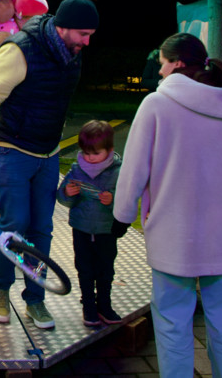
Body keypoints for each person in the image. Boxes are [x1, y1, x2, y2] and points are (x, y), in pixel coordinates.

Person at [114, 32, 222, 377]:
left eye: (161, 63)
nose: (158, 72)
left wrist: (122, 215)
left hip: (174, 237)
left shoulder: (158, 104)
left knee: (173, 324)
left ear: (176, 63)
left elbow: (133, 169)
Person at [0, 0, 99, 330]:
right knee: (14, 224)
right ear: (63, 28)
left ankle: (36, 299)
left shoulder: (72, 55)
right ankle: (0, 289)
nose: (87, 42)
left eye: (91, 35)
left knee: (42, 229)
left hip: (47, 152)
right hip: (11, 149)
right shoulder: (19, 50)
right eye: (83, 34)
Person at [56, 120, 127, 328]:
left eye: (95, 153)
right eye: (86, 153)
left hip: (106, 229)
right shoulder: (77, 170)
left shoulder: (118, 171)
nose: (90, 158)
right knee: (84, 268)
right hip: (81, 228)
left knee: (106, 269)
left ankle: (104, 304)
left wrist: (113, 199)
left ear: (109, 150)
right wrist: (68, 194)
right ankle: (88, 305)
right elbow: (62, 197)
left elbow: (128, 197)